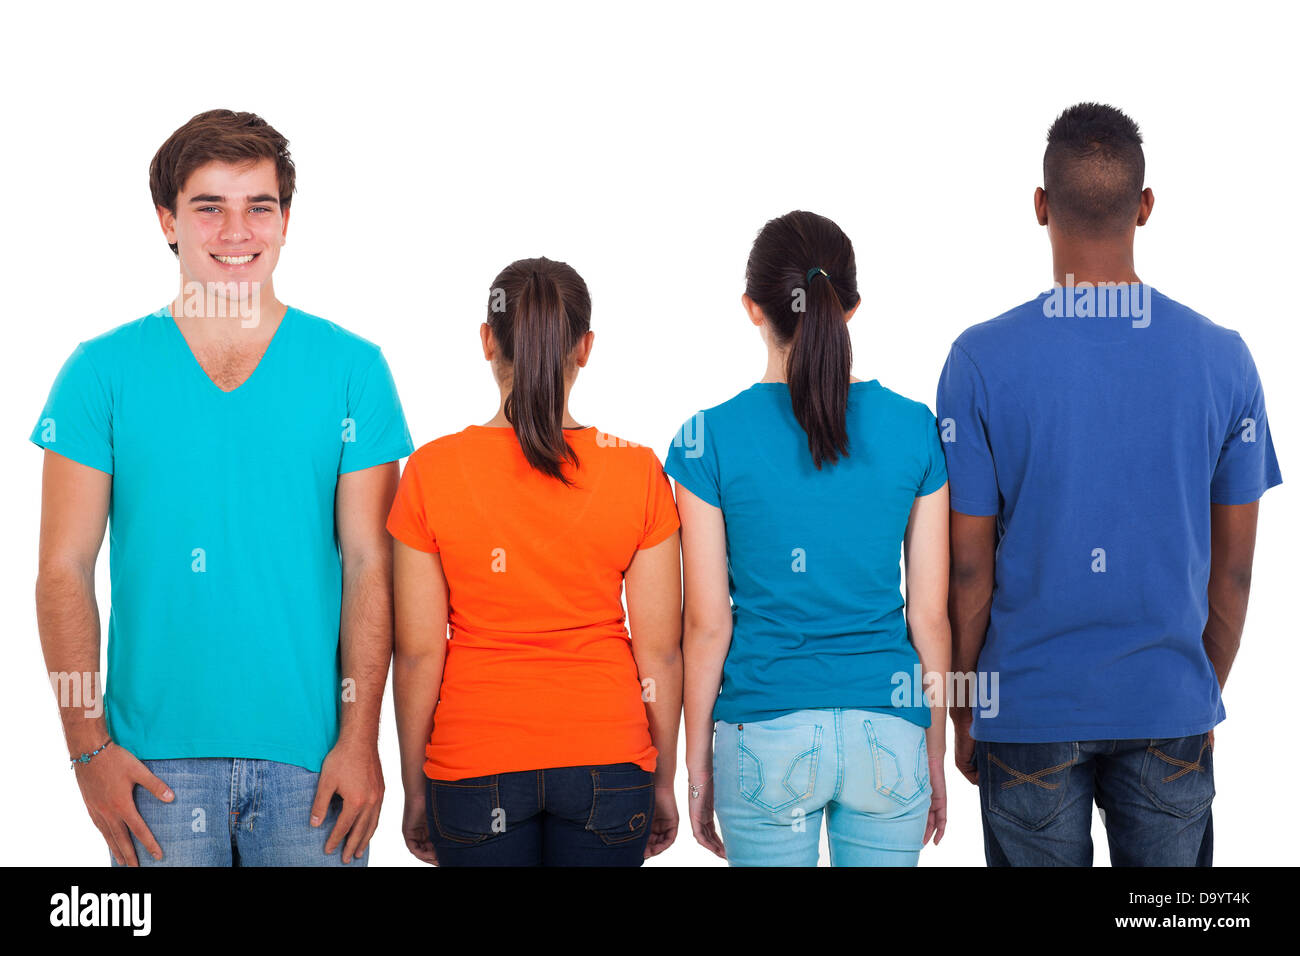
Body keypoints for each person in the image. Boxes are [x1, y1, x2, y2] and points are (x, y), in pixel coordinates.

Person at [32, 109, 413, 866]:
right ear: (168, 221)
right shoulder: (100, 372)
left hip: (313, 762)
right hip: (150, 766)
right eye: (210, 207)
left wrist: (361, 742)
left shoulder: (353, 370)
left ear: (285, 220)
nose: (236, 230)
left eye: (258, 207)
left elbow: (373, 565)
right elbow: (63, 571)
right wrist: (86, 751)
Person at [938, 102, 1282, 866]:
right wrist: (1197, 691)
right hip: (1169, 706)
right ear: (1146, 206)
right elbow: (1234, 569)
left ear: (1039, 206)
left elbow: (968, 571)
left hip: (1026, 711)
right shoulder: (1224, 359)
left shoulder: (980, 362)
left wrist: (966, 709)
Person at [666, 210, 951, 866]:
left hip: (763, 733)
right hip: (890, 729)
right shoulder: (914, 429)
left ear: (751, 309)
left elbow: (706, 626)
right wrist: (931, 751)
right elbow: (930, 617)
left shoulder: (706, 439)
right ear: (849, 307)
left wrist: (699, 770)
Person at [388, 256, 683, 867]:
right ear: (585, 347)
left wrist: (416, 789)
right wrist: (660, 782)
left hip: (474, 765)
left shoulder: (432, 471)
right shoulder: (635, 469)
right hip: (608, 760)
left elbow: (418, 652)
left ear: (487, 340)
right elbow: (660, 651)